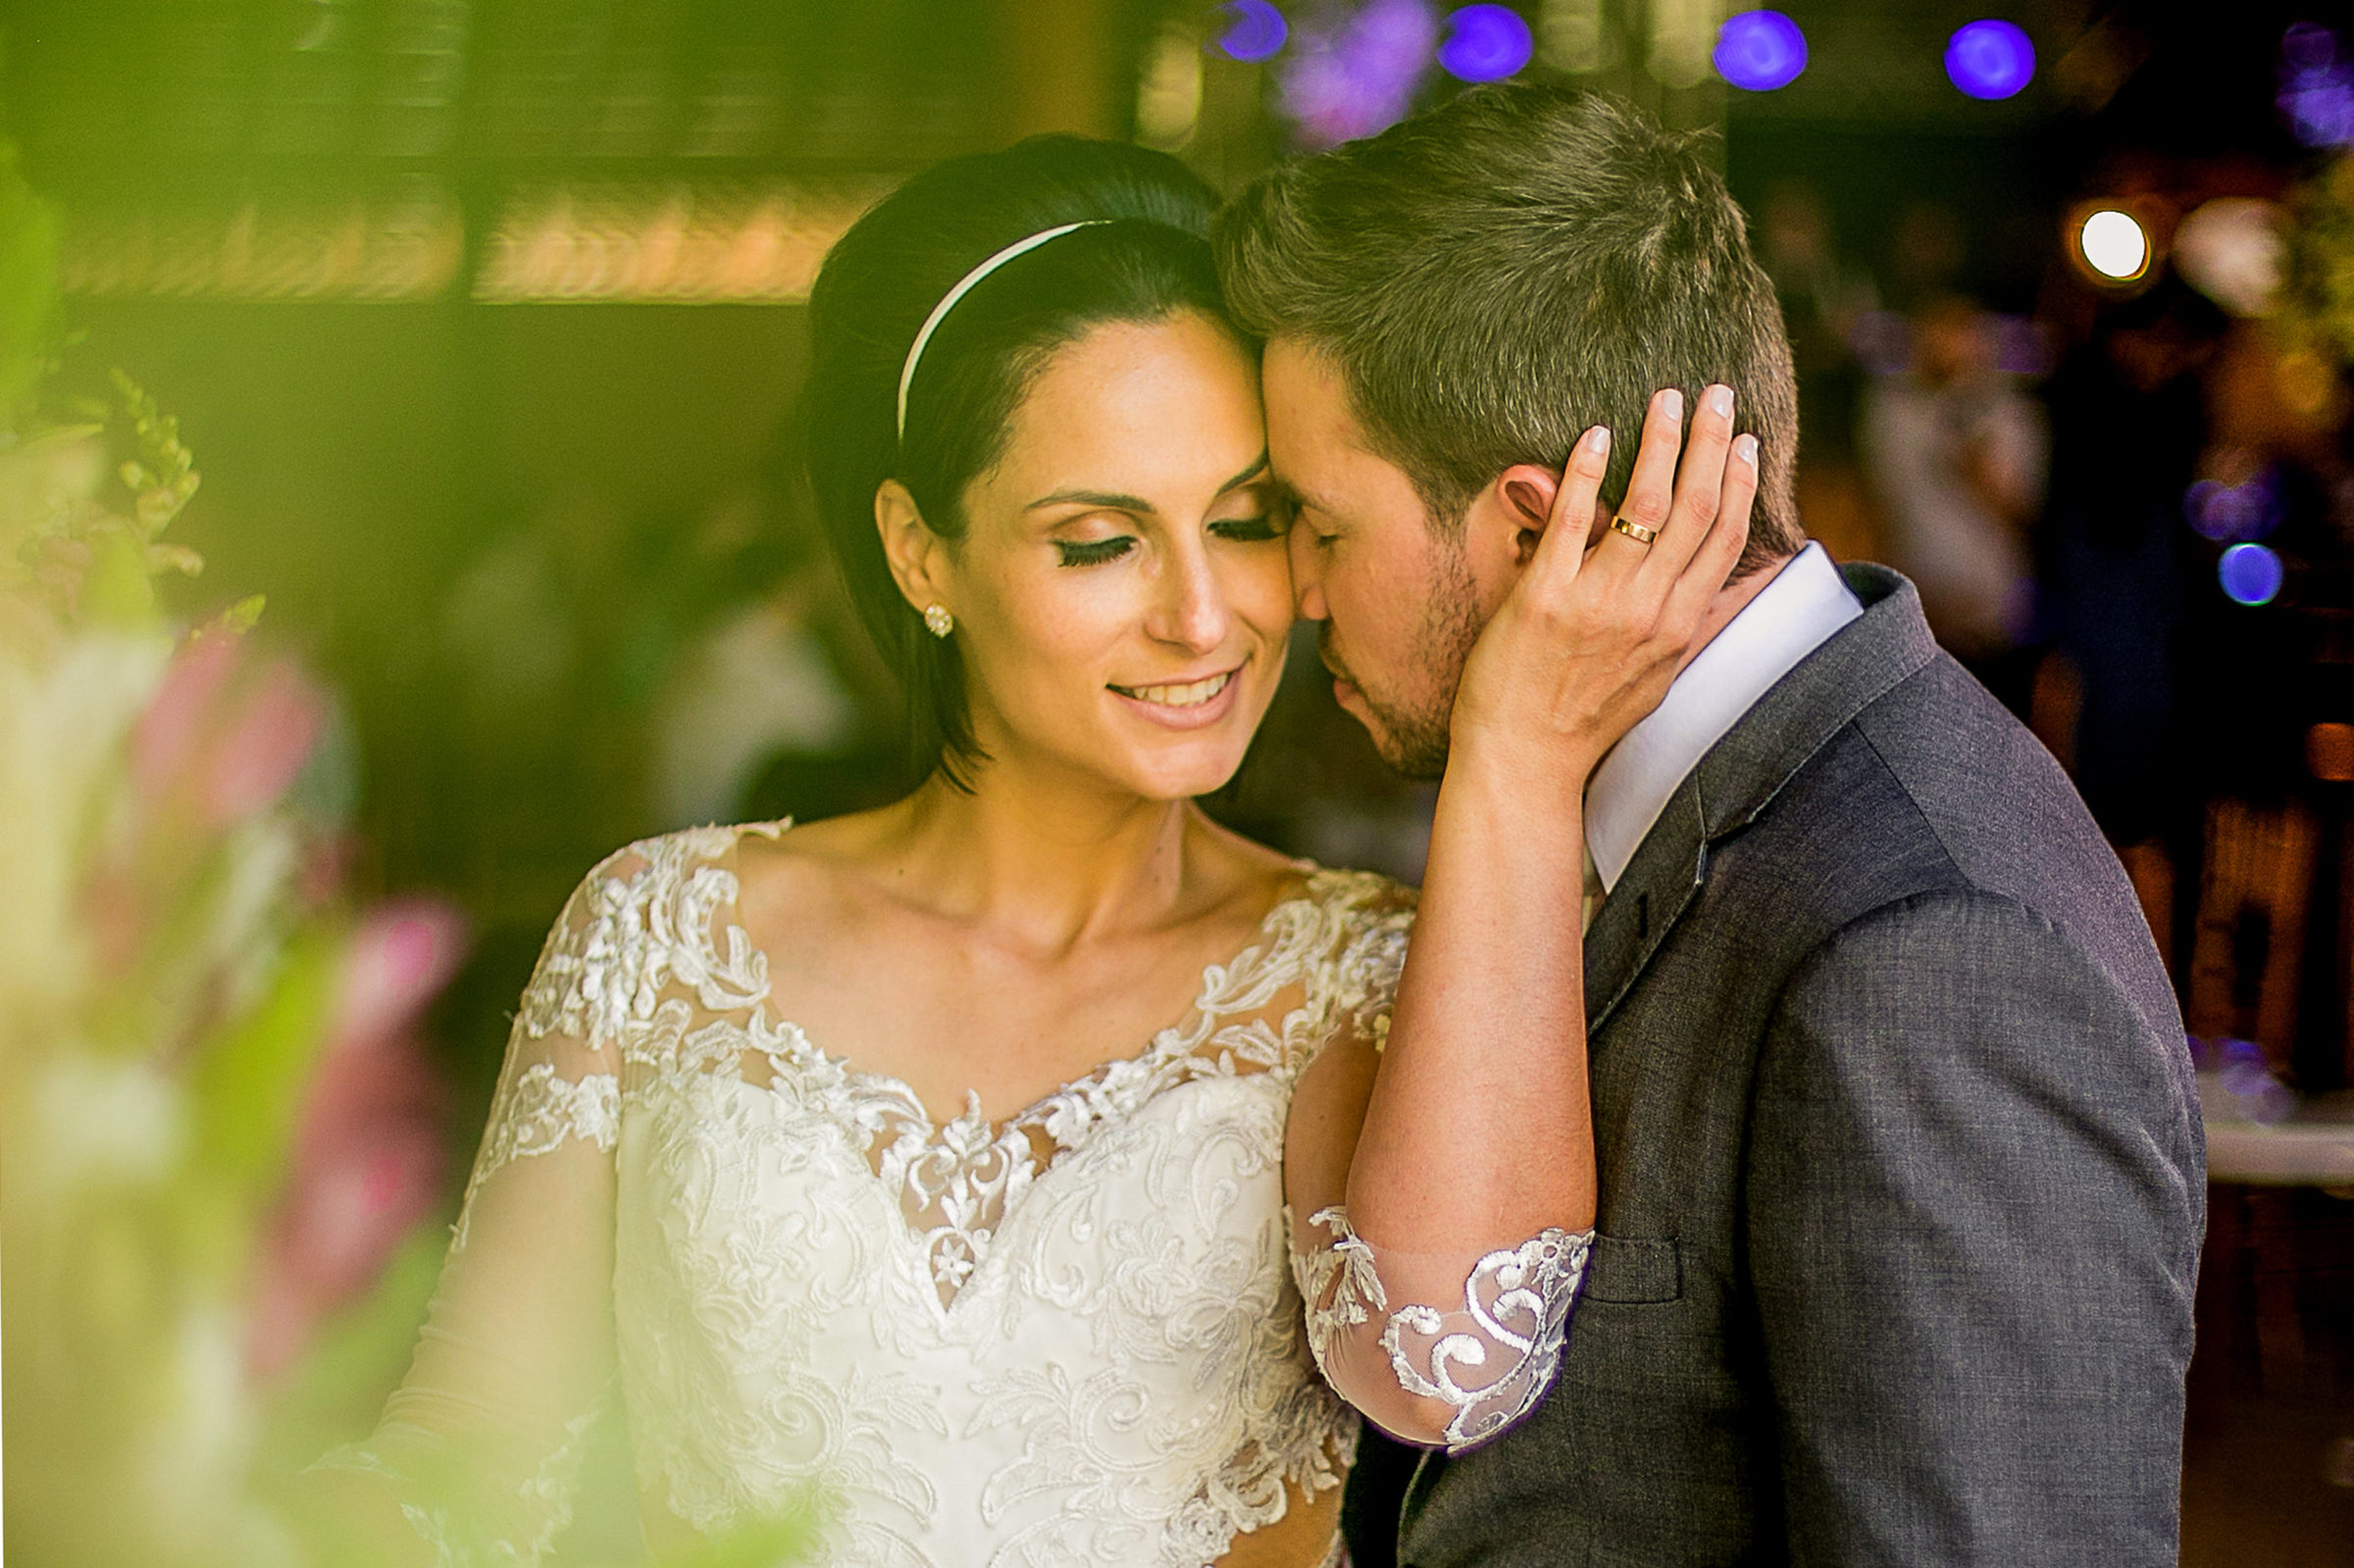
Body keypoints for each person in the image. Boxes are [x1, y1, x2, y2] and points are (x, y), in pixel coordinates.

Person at [319, 134, 1744, 1567]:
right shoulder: (658, 933)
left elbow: (1453, 1367)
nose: (1205, 617)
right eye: (1097, 542)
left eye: (1246, 522)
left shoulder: (1361, 975)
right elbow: (471, 1465)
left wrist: (1513, 756)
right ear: (919, 551)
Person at [1215, 84, 2205, 1567]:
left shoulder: (1932, 949)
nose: (1294, 594)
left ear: (1547, 527)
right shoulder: (1673, 797)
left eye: (1325, 525)